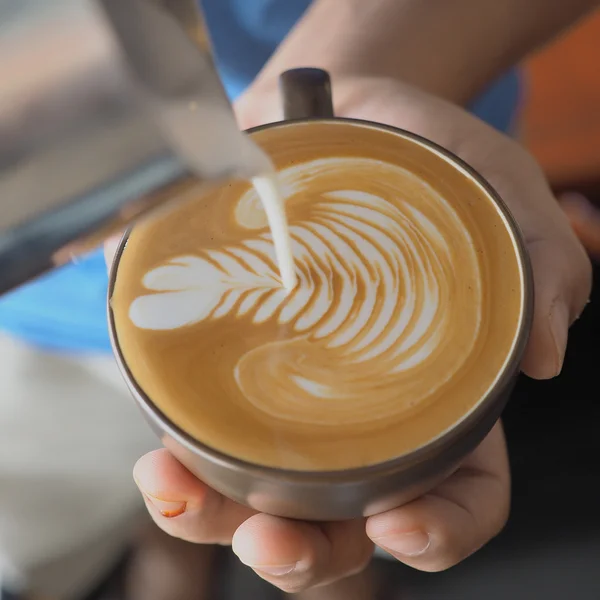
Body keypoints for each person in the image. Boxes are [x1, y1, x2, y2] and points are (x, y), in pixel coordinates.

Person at [0, 0, 595, 598]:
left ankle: (298, 555)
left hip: (408, 157)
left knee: (307, 528)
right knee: (147, 481)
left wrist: (371, 67)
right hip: (45, 287)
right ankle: (166, 538)